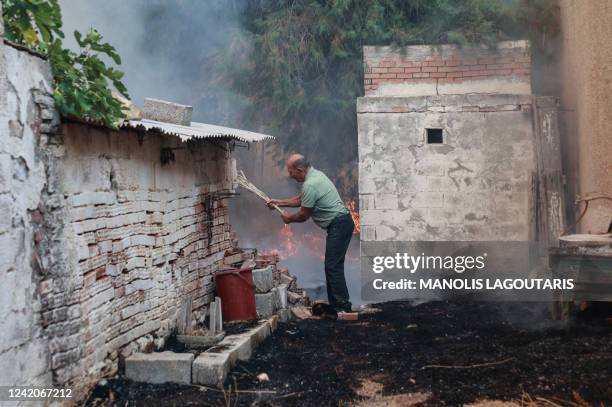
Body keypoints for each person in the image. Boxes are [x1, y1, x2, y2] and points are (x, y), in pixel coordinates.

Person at [267, 154, 354, 313]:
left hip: (339, 225)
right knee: (333, 266)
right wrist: (279, 202)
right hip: (342, 223)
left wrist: (288, 219)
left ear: (300, 170)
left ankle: (342, 307)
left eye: (291, 172)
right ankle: (338, 305)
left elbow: (303, 215)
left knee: (332, 267)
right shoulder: (316, 175)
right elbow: (302, 199)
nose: (290, 175)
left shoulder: (311, 184)